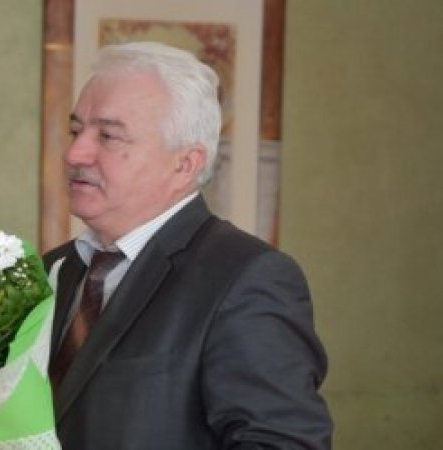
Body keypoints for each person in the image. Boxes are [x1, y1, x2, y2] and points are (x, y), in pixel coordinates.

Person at [44, 41, 332, 449]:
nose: (75, 153)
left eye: (108, 136)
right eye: (76, 131)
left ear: (184, 165)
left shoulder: (245, 279)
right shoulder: (54, 269)